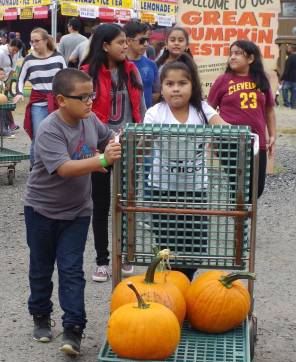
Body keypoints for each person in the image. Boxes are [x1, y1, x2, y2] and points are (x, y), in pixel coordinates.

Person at [24, 68, 121, 355]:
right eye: (83, 97)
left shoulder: (89, 119)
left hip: (78, 212)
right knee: (41, 267)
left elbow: (106, 137)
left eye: (92, 95)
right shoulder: (49, 129)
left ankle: (73, 328)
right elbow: (65, 168)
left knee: (71, 268)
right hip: (41, 209)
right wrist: (101, 159)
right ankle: (41, 315)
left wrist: (115, 144)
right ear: (62, 100)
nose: (90, 101)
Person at [143, 53, 226, 281]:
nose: (176, 89)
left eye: (182, 83)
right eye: (170, 84)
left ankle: (184, 282)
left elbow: (224, 126)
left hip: (195, 189)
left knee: (195, 245)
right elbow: (144, 143)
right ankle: (172, 285)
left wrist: (234, 132)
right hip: (162, 188)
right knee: (166, 243)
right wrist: (143, 138)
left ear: (193, 85)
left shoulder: (202, 109)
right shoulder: (155, 112)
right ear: (162, 87)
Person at [81, 24, 146, 282]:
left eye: (126, 42)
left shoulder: (132, 70)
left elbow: (140, 106)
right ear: (105, 45)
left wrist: (140, 136)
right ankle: (102, 259)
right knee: (100, 204)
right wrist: (91, 148)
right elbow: (82, 115)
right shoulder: (88, 73)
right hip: (100, 147)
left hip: (129, 146)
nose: (125, 46)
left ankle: (126, 254)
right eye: (120, 42)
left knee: (127, 203)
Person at [208, 40, 276, 200]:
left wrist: (272, 135)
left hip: (257, 141)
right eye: (231, 53)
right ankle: (240, 223)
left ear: (251, 59)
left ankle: (242, 220)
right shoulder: (222, 80)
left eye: (238, 53)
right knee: (238, 186)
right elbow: (209, 109)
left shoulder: (261, 80)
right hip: (229, 141)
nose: (232, 57)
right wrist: (211, 137)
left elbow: (269, 109)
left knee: (256, 189)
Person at [13, 28, 66, 167]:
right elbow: (20, 79)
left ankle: (57, 165)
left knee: (60, 134)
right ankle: (36, 168)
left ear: (46, 41)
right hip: (38, 103)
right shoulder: (29, 60)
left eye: (37, 41)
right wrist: (19, 93)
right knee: (38, 136)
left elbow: (66, 78)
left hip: (57, 101)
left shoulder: (58, 57)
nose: (34, 44)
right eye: (32, 41)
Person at [124, 20, 160, 108]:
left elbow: (156, 92)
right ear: (129, 41)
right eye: (142, 41)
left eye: (147, 40)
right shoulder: (117, 64)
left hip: (146, 117)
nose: (146, 44)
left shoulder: (151, 64)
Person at [0, 67, 15, 138]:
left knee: (6, 113)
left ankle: (6, 128)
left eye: (3, 74)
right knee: (2, 114)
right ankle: (2, 130)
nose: (2, 75)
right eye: (0, 74)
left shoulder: (2, 83)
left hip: (2, 103)